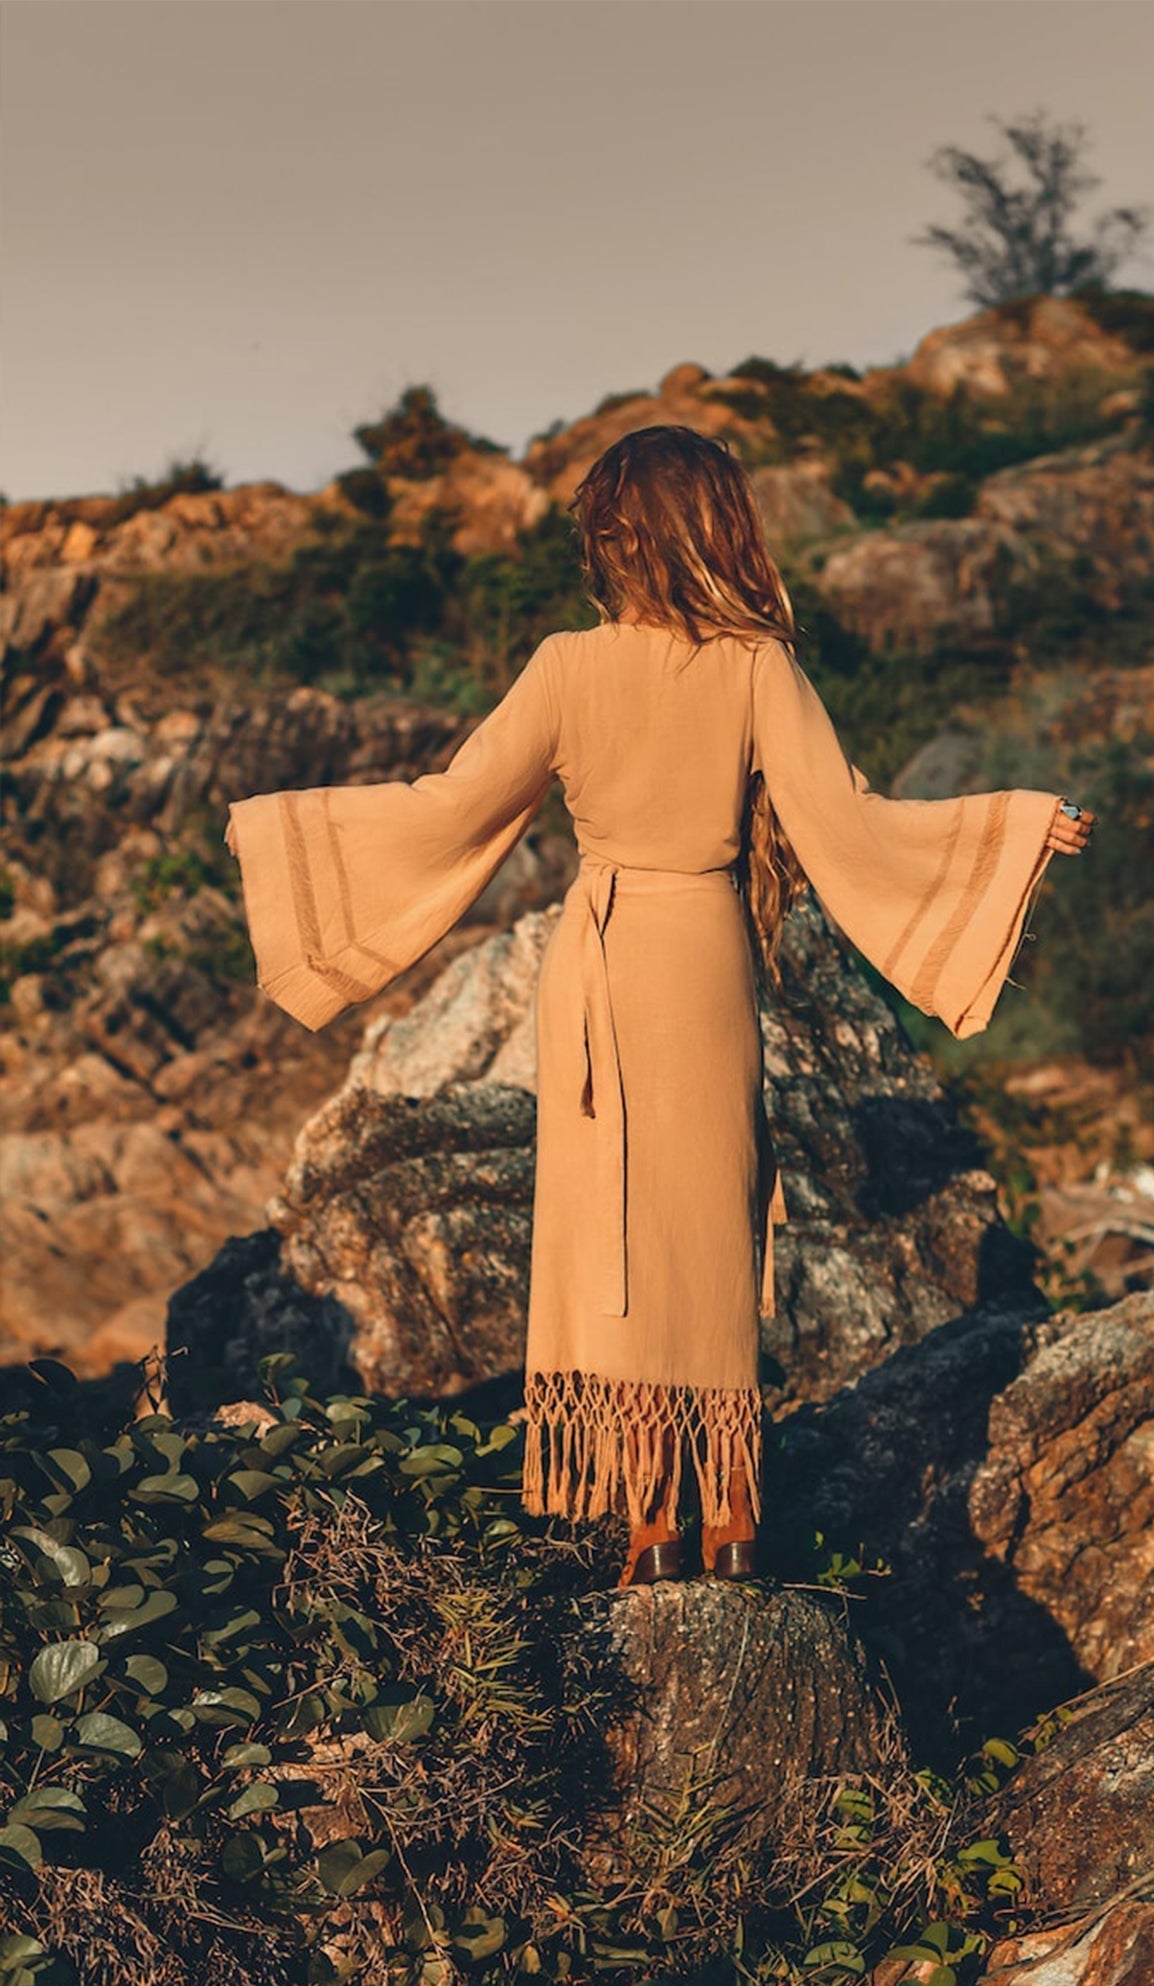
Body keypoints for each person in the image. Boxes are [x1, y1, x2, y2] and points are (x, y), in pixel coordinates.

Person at [224, 423, 1094, 1592]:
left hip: (602, 964)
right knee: (709, 1226)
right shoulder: (757, 666)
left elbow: (448, 809)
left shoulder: (565, 668)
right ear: (717, 528)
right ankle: (730, 1508)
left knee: (616, 1240)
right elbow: (854, 823)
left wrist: (282, 837)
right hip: (706, 954)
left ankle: (651, 1520)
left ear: (615, 538)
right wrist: (1010, 828)